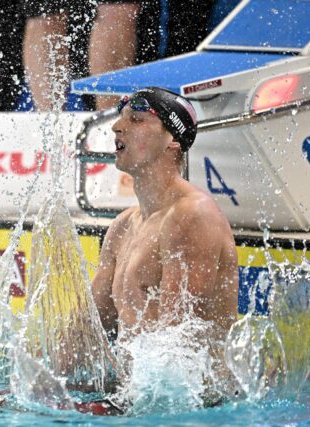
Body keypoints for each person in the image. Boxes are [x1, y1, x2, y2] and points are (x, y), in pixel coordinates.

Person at [91, 87, 238, 366]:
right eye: (121, 118)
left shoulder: (192, 216)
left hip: (196, 402)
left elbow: (177, 345)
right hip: (140, 390)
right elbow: (89, 328)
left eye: (136, 120)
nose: (117, 127)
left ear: (172, 140)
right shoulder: (123, 227)